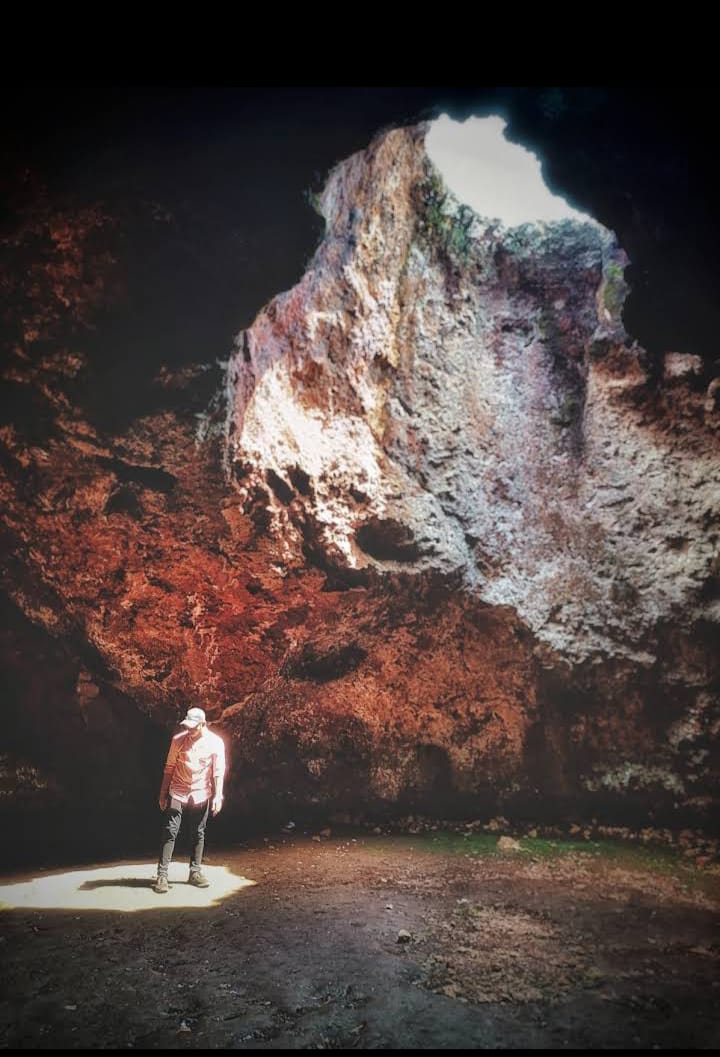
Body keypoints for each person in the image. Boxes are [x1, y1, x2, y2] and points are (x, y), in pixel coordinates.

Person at [153, 707, 226, 894]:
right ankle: (162, 875)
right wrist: (163, 794)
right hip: (178, 790)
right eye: (188, 726)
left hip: (201, 791)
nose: (190, 730)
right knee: (170, 831)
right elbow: (169, 768)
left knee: (198, 832)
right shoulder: (178, 740)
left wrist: (218, 795)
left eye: (193, 727)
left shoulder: (216, 743)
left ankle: (195, 872)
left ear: (203, 724)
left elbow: (218, 771)